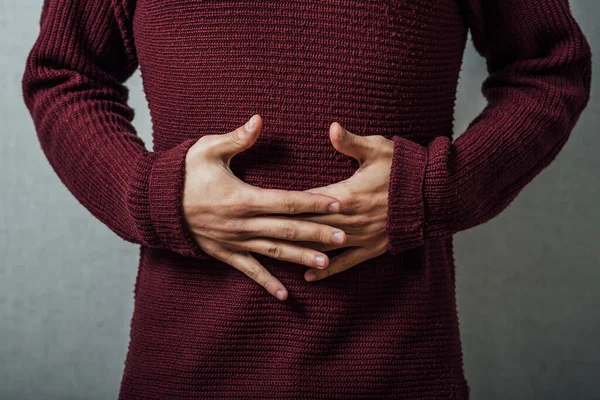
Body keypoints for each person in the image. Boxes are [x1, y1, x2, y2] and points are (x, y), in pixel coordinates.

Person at [21, 0, 591, 398]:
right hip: (187, 368)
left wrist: (431, 189)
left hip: (399, 369)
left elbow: (550, 66)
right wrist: (154, 195)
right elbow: (65, 75)